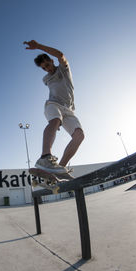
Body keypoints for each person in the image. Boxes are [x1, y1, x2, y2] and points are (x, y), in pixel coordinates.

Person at [23, 40, 84, 174]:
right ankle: (45, 156)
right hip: (53, 105)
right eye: (44, 68)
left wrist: (38, 46)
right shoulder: (46, 79)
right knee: (55, 121)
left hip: (69, 110)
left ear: (52, 60)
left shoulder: (64, 70)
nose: (47, 69)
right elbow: (49, 74)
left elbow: (60, 55)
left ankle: (59, 168)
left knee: (79, 135)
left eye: (48, 65)